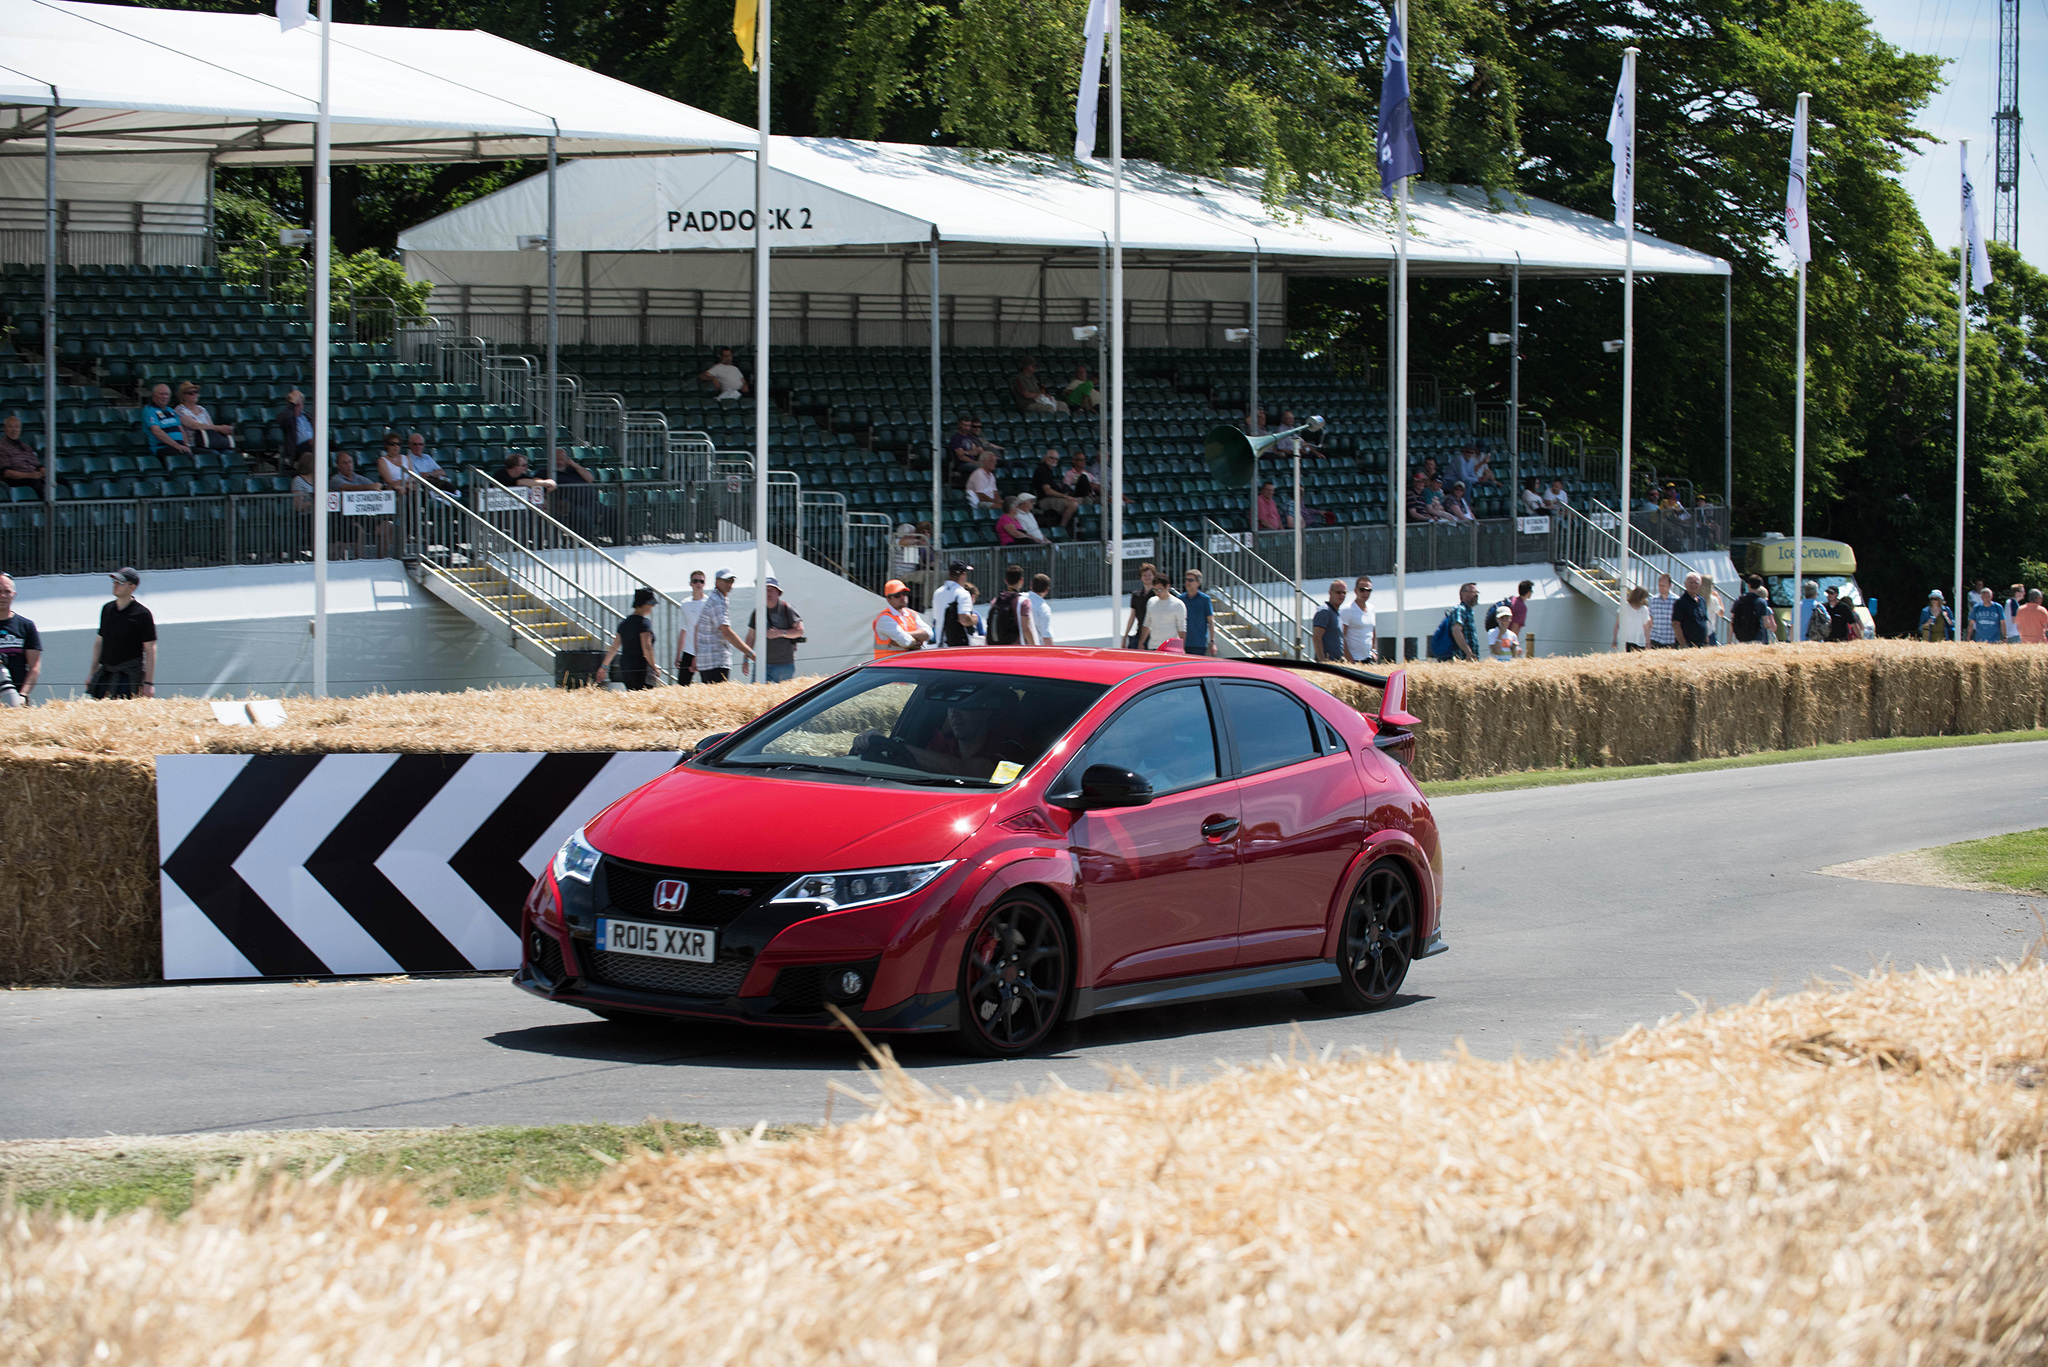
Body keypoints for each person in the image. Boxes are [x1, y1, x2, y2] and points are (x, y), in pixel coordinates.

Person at [87, 567, 155, 699]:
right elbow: (99, 643)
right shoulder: (107, 609)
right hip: (105, 674)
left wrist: (148, 683)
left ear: (132, 587)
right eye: (114, 582)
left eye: (120, 583)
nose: (115, 585)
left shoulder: (143, 614)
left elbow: (150, 650)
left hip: (128, 677)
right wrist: (92, 674)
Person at [692, 567, 756, 682]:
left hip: (709, 661)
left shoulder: (716, 598)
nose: (729, 584)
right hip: (715, 661)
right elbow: (726, 632)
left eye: (731, 581)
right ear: (717, 582)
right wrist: (750, 653)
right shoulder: (717, 601)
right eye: (726, 580)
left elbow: (697, 627)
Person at [595, 587, 660, 691]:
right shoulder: (644, 623)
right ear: (645, 604)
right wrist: (654, 667)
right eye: (651, 604)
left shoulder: (624, 623)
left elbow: (614, 648)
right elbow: (647, 648)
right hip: (640, 667)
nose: (653, 606)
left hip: (625, 667)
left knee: (632, 696)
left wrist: (604, 666)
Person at [746, 576, 805, 682]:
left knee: (785, 697)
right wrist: (746, 659)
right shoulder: (757, 612)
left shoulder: (788, 609)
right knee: (758, 696)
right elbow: (750, 637)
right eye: (765, 590)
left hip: (784, 665)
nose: (768, 593)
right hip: (761, 664)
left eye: (771, 590)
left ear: (778, 593)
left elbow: (800, 631)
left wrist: (780, 633)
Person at [0, 574, 41, 707]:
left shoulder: (26, 625)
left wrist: (23, 695)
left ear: (14, 594)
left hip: (18, 701)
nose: (3, 596)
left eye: (7, 591)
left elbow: (34, 666)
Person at [871, 579, 931, 659]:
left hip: (906, 665)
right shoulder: (884, 619)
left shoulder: (912, 614)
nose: (902, 597)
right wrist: (919, 638)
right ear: (888, 599)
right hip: (887, 667)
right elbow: (907, 642)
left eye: (904, 593)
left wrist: (905, 635)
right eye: (897, 595)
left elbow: (929, 634)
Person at [930, 559, 977, 649]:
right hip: (958, 647)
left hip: (940, 644)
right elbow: (964, 620)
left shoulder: (937, 592)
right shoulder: (963, 593)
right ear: (963, 574)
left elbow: (936, 619)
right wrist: (974, 619)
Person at [174, 383, 234, 452]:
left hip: (210, 442)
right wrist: (218, 427)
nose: (194, 394)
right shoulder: (179, 410)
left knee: (228, 453)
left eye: (196, 392)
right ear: (183, 396)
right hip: (195, 444)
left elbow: (211, 426)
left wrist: (224, 429)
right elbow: (194, 425)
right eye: (190, 393)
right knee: (213, 453)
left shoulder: (202, 409)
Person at [673, 570, 708, 684]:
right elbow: (684, 629)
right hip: (688, 651)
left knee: (709, 685)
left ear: (704, 584)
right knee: (682, 685)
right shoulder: (685, 603)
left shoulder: (709, 602)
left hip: (705, 650)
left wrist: (698, 655)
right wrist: (678, 654)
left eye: (701, 581)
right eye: (695, 581)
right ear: (690, 583)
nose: (698, 584)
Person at [1029, 449, 1079, 529]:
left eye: (1056, 459)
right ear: (1045, 457)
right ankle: (1062, 528)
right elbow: (1048, 491)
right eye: (1052, 458)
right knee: (1072, 504)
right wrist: (1065, 497)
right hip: (1044, 500)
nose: (1054, 460)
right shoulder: (1042, 470)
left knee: (1077, 501)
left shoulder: (1049, 471)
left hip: (1052, 498)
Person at [141, 383, 191, 459]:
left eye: (166, 394)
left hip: (180, 447)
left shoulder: (171, 410)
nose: (164, 397)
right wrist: (176, 445)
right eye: (161, 394)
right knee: (186, 457)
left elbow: (181, 430)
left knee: (211, 453)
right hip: (162, 448)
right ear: (154, 395)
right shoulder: (149, 410)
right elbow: (156, 431)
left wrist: (186, 446)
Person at [0, 413, 45, 489]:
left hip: (33, 477)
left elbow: (37, 466)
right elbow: (7, 473)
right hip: (15, 480)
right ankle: (47, 501)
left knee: (62, 481)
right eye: (10, 427)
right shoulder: (2, 447)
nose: (14, 430)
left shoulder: (26, 447)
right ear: (5, 429)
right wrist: (29, 475)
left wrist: (44, 471)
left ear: (20, 429)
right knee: (35, 482)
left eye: (17, 427)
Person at [1142, 574, 1186, 650]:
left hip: (1171, 648)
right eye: (1155, 590)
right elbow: (1147, 623)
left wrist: (1181, 648)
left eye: (1160, 590)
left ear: (1168, 587)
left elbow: (1181, 628)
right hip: (1153, 646)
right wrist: (1141, 642)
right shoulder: (1151, 602)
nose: (1157, 593)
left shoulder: (1178, 604)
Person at [989, 565, 1029, 646]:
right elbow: (1026, 630)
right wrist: (1034, 647)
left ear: (1005, 581)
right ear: (1021, 580)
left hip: (998, 647)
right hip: (1016, 648)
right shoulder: (1023, 602)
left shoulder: (995, 601)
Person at [1340, 575, 1376, 663]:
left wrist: (1374, 651)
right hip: (1354, 659)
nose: (1365, 593)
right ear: (1355, 590)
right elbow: (1341, 636)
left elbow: (1373, 632)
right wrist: (1349, 659)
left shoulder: (1372, 608)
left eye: (1369, 590)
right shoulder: (1347, 609)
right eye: (1362, 590)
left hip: (1368, 658)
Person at [1178, 569, 1214, 656]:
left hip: (1199, 643)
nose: (1187, 582)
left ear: (1198, 583)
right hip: (1183, 643)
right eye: (1186, 580)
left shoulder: (1205, 599)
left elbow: (1211, 621)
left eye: (1191, 580)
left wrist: (1212, 642)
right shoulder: (1180, 599)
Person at [1122, 563, 1157, 649]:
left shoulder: (1157, 595)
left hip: (1154, 637)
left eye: (1149, 575)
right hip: (1139, 634)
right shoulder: (1136, 595)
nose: (1147, 577)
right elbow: (1132, 617)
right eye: (1144, 575)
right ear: (1141, 577)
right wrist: (1125, 636)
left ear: (1154, 576)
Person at [1444, 582, 1480, 661]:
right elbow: (1456, 631)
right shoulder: (1460, 610)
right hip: (1463, 657)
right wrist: (1468, 652)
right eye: (1473, 592)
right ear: (1463, 594)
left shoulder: (1469, 611)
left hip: (1471, 657)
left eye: (1477, 592)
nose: (1476, 595)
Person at [1311, 581, 1347, 663]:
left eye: (1344, 592)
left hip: (1337, 662)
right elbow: (1316, 638)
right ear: (1330, 592)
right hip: (1328, 663)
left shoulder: (1337, 612)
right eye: (1338, 592)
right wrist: (1323, 662)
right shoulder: (1325, 611)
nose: (1342, 595)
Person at [278, 388, 314, 463]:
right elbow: (286, 419)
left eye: (299, 405)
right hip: (298, 449)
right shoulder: (284, 417)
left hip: (314, 444)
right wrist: (292, 403)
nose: (297, 408)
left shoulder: (309, 416)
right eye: (295, 405)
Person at [1732, 574, 1771, 643]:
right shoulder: (1761, 602)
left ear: (1748, 584)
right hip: (1756, 636)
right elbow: (1766, 624)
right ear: (1759, 586)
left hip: (1741, 636)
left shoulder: (1739, 600)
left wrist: (1730, 640)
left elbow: (1732, 620)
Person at [1674, 573, 1710, 648]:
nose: (1693, 585)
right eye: (1691, 583)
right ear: (1685, 584)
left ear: (1700, 585)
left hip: (1701, 645)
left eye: (1696, 583)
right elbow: (1676, 624)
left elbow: (1704, 622)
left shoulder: (1702, 601)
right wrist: (1683, 644)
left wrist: (1706, 642)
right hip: (1688, 646)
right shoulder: (1680, 602)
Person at [946, 418, 985, 486]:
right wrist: (971, 456)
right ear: (960, 424)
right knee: (978, 467)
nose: (966, 428)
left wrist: (965, 452)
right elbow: (960, 456)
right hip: (962, 464)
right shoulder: (956, 438)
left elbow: (976, 451)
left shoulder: (970, 437)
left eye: (968, 426)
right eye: (964, 425)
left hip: (972, 461)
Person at [1613, 584, 1652, 651]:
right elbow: (1617, 624)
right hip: (1625, 641)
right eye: (1644, 597)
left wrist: (1648, 643)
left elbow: (1646, 629)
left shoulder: (1644, 609)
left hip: (1639, 641)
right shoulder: (1625, 606)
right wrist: (1614, 640)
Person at [1647, 572, 1678, 648]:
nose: (1661, 588)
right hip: (1656, 639)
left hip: (1671, 639)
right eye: (1660, 585)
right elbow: (1649, 620)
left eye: (1664, 586)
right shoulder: (1653, 600)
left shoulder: (1676, 601)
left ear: (1670, 586)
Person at [1025, 573, 1055, 646]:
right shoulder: (1043, 608)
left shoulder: (1019, 598)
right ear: (1047, 590)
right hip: (1034, 649)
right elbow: (1046, 635)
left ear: (1031, 585)